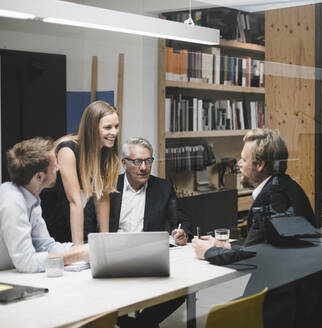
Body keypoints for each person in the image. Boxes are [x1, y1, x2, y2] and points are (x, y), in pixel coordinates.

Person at [192, 128, 322, 327]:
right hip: (312, 301)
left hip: (293, 309)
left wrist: (209, 251)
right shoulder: (286, 186)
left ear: (260, 165)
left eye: (244, 159)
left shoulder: (271, 197)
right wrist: (225, 245)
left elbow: (251, 257)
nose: (239, 164)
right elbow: (266, 243)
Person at [84, 137, 192, 327]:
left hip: (148, 258)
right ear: (124, 163)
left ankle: (138, 325)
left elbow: (181, 220)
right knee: (103, 297)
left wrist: (182, 233)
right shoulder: (107, 187)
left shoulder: (163, 187)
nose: (144, 167)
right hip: (113, 258)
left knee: (180, 292)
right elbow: (88, 225)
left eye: (148, 161)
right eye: (137, 162)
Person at [0, 137, 89, 273]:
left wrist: (84, 249)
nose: (58, 168)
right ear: (39, 176)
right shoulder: (12, 200)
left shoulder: (31, 198)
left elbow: (45, 245)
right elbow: (26, 263)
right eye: (55, 164)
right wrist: (75, 255)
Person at [41, 100, 120, 245]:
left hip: (75, 217)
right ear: (92, 128)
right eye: (108, 127)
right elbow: (74, 201)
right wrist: (78, 247)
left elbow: (102, 197)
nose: (114, 132)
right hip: (53, 221)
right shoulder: (67, 150)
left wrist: (106, 242)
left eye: (116, 126)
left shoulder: (105, 152)